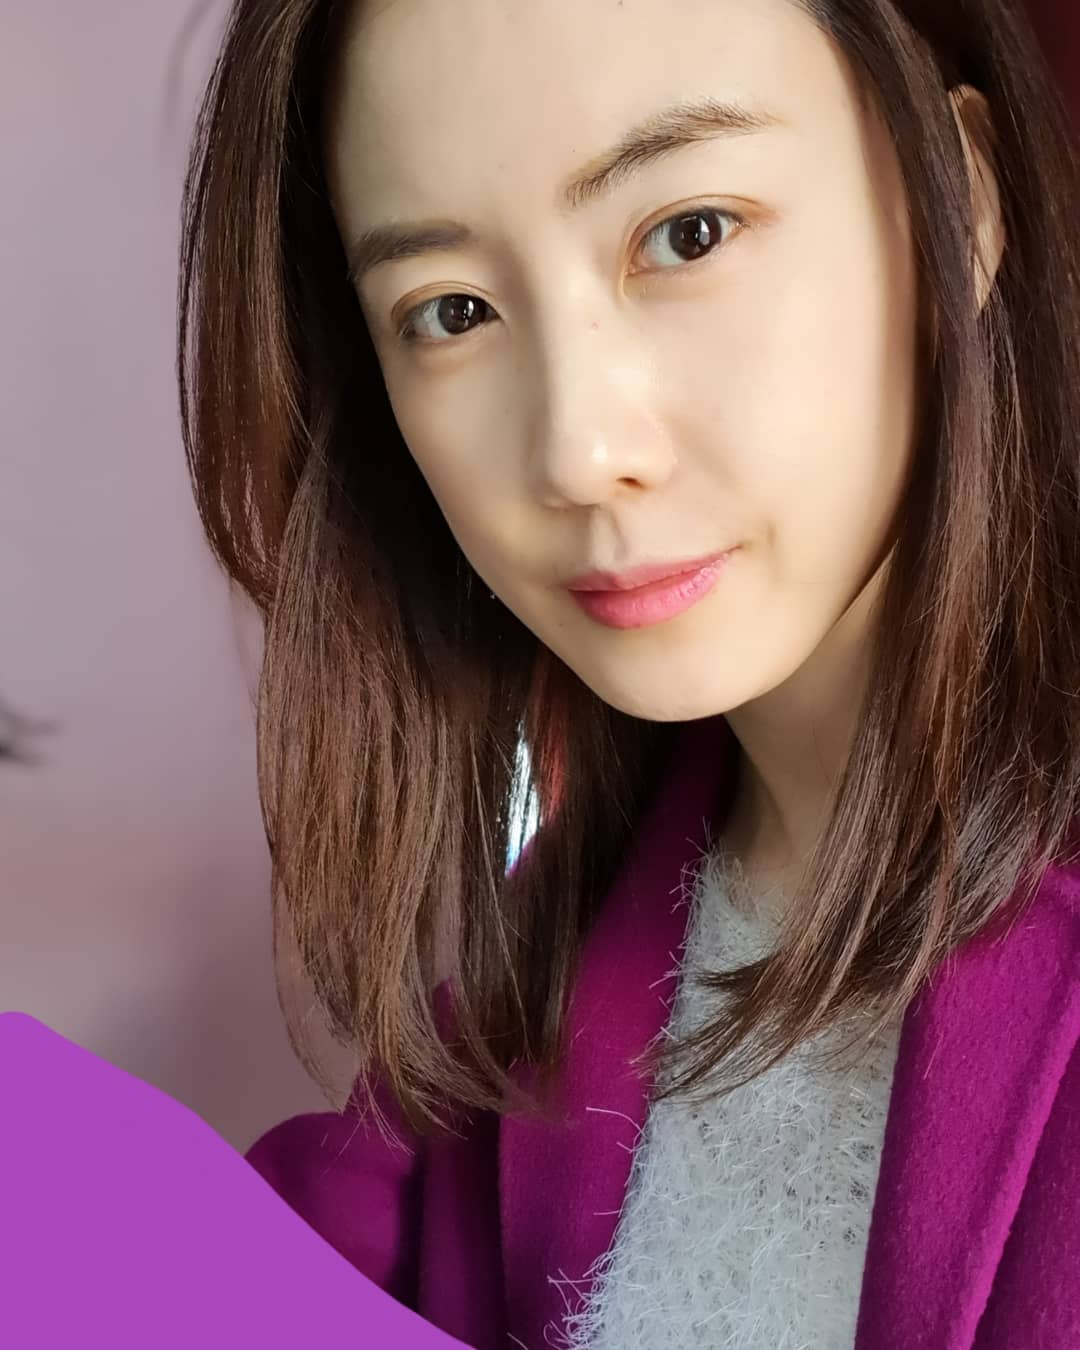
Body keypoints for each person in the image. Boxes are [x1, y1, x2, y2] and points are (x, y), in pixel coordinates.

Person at [177, 0, 1080, 1345]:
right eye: (453, 311)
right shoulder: (533, 998)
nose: (577, 451)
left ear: (962, 198)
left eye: (688, 234)